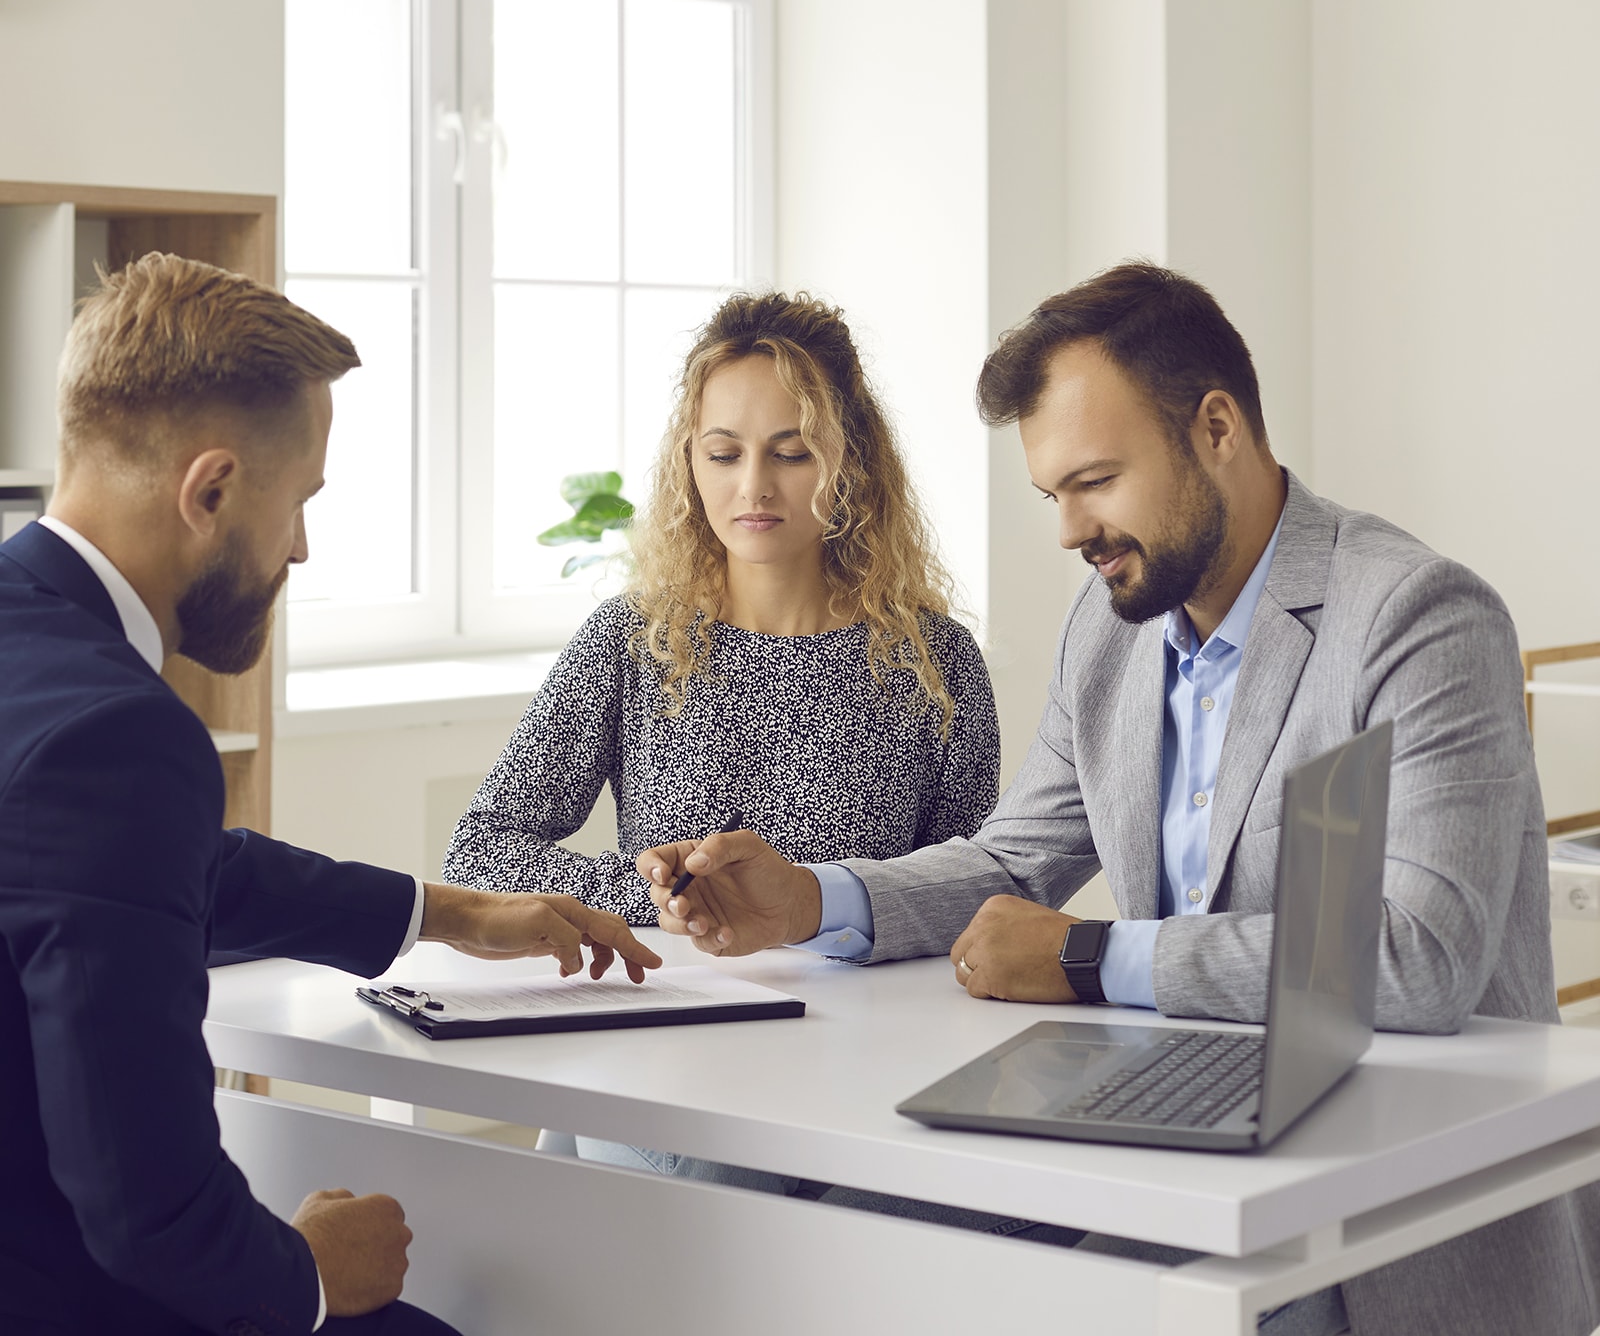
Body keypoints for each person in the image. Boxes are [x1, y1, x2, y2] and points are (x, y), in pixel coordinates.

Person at [638, 263, 1600, 1336]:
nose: (1067, 529)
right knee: (851, 1247)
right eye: (1052, 493)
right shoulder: (1109, 632)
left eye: (1094, 480)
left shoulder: (1417, 617)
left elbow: (1419, 956)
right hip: (1174, 1130)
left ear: (1217, 428)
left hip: (1391, 1207)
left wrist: (1088, 958)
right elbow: (1008, 863)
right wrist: (808, 902)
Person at [0, 254, 662, 1336]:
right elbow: (145, 1213)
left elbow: (143, 874)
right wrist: (307, 1270)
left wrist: (447, 912)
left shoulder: (35, 663)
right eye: (298, 501)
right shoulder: (118, 736)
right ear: (210, 490)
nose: (300, 547)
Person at [442, 289, 999, 1194]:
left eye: (792, 451)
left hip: (860, 1061)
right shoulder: (632, 642)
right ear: (688, 466)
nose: (755, 488)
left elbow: (965, 895)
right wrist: (650, 895)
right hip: (671, 1048)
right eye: (724, 453)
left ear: (850, 461)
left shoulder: (936, 664)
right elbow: (481, 848)